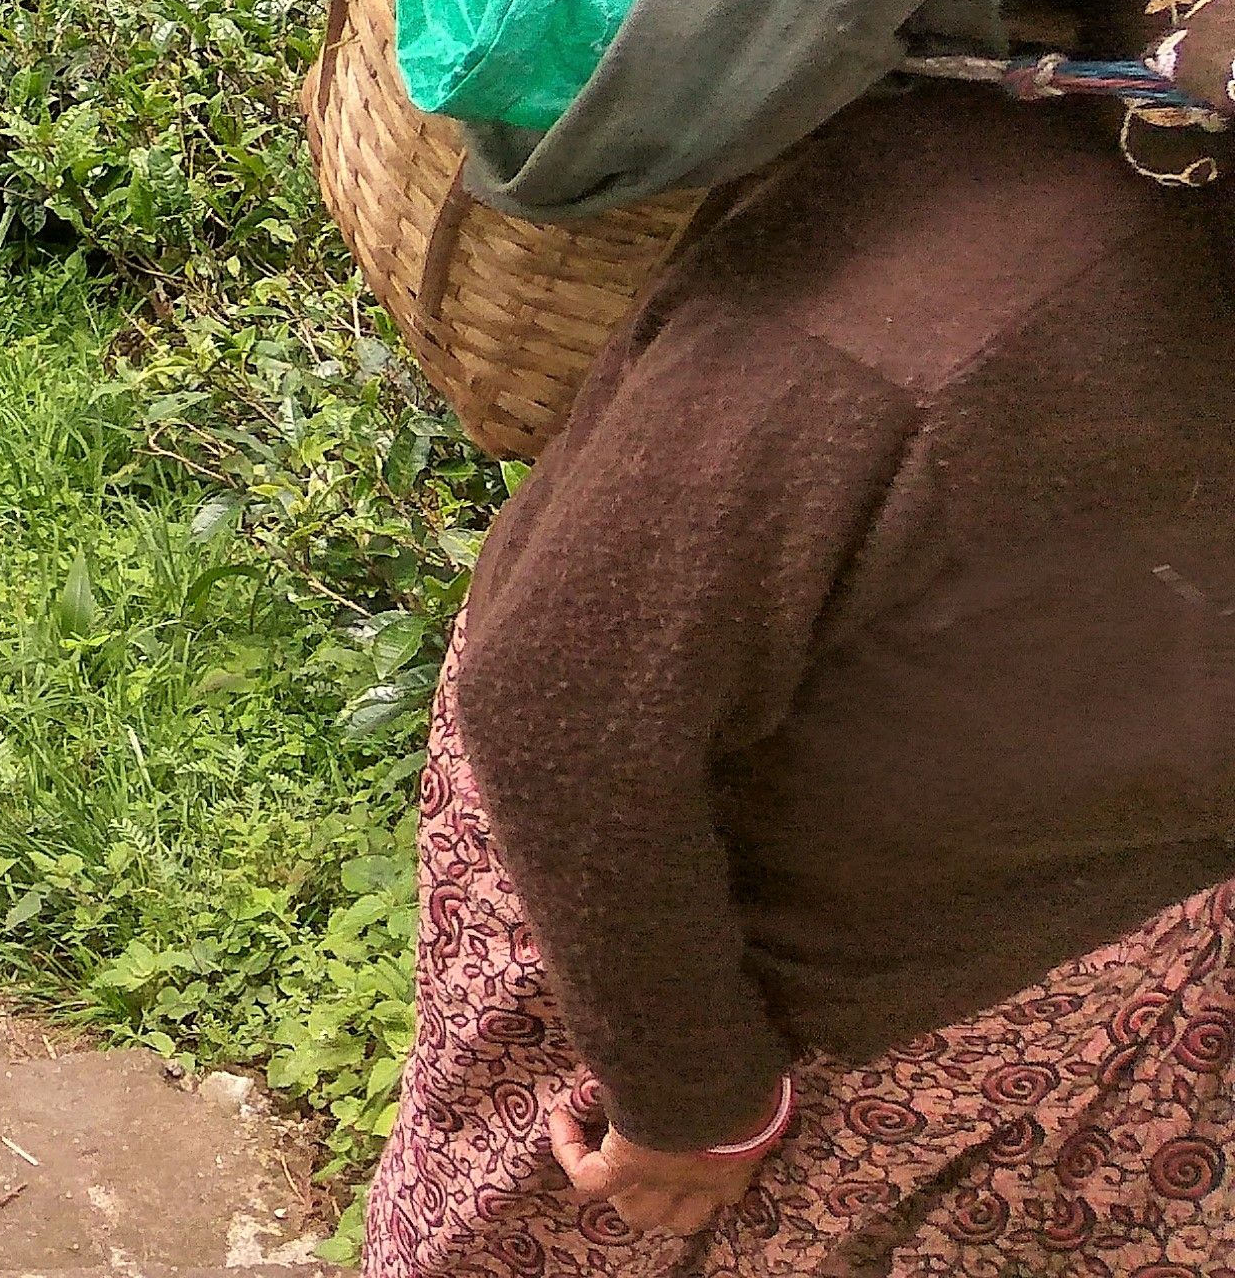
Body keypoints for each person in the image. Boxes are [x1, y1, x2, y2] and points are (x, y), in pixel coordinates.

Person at [366, 79, 1235, 1269]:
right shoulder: (954, 284)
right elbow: (565, 694)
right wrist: (691, 1095)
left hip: (1110, 958)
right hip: (752, 980)